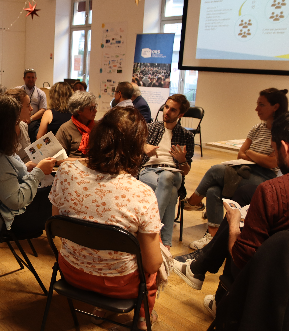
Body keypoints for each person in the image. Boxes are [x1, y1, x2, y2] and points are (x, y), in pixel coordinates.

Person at [50, 107, 162, 330]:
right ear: (136, 147)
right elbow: (151, 264)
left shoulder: (67, 170)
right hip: (120, 286)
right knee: (156, 254)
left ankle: (100, 308)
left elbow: (57, 225)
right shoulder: (142, 193)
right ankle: (141, 319)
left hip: (71, 271)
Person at [173, 111, 289, 317]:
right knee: (219, 191)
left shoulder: (272, 191)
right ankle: (201, 269)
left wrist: (235, 223)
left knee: (236, 220)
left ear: (285, 148)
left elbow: (241, 257)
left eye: (274, 151)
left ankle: (219, 295)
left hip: (270, 281)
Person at [185, 88, 288, 250]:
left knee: (216, 170)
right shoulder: (256, 128)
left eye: (261, 105)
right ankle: (212, 236)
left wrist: (251, 153)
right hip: (247, 170)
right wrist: (256, 156)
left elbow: (271, 163)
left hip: (266, 177)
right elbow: (241, 154)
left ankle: (192, 202)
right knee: (213, 190)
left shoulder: (280, 132)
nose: (256, 109)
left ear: (275, 107)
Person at [0, 94, 56, 234]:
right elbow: (16, 201)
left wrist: (26, 167)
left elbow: (1, 178)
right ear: (4, 127)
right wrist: (38, 172)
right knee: (59, 191)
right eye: (17, 123)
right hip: (5, 220)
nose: (19, 127)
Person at [138, 94, 194, 248]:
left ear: (180, 115)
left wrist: (182, 160)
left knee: (168, 177)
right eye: (166, 107)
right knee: (172, 192)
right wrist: (144, 147)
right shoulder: (150, 128)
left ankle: (150, 228)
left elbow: (186, 171)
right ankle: (166, 244)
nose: (167, 111)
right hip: (148, 171)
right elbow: (133, 150)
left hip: (173, 173)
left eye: (173, 110)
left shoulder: (186, 136)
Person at [56, 91, 97, 159]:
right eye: (91, 108)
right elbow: (58, 159)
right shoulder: (65, 129)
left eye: (95, 107)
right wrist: (84, 161)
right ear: (79, 111)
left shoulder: (98, 126)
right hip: (72, 167)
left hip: (95, 167)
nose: (95, 110)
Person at [18, 69, 47, 142]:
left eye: (33, 77)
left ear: (36, 78)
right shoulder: (17, 91)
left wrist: (30, 119)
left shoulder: (41, 93)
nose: (31, 79)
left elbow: (43, 110)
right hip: (19, 119)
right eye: (28, 77)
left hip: (34, 120)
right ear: (24, 78)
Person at [5, 88, 33, 163]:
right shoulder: (3, 131)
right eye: (28, 105)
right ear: (17, 108)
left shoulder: (23, 126)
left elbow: (28, 155)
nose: (31, 108)